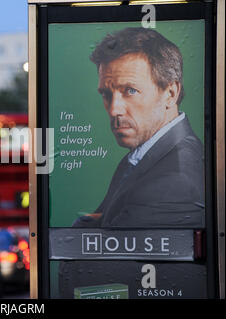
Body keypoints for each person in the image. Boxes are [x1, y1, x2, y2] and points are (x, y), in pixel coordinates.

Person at [73, 27, 205, 228]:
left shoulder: (175, 181)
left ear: (170, 93)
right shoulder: (142, 156)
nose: (114, 109)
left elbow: (103, 255)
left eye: (130, 91)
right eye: (106, 94)